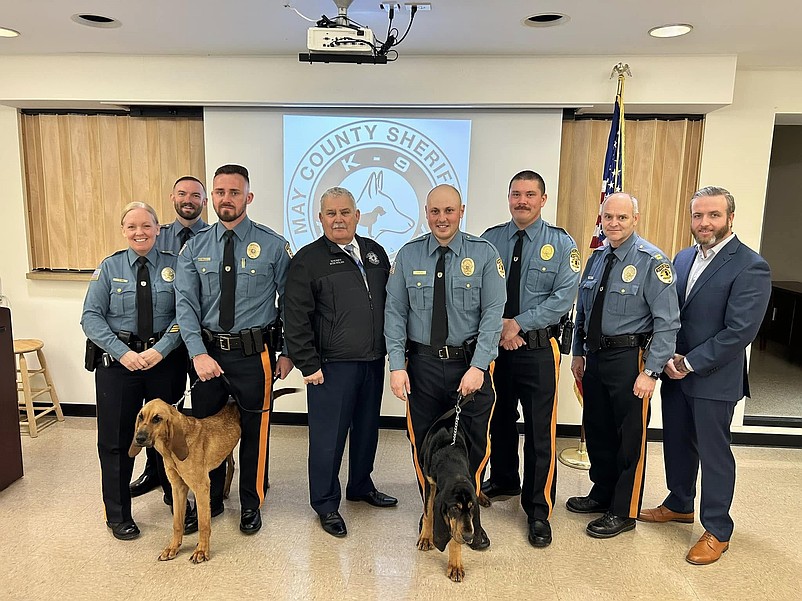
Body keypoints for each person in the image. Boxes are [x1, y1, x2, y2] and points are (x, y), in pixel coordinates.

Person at [639, 186, 771, 565]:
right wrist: (664, 356)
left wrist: (688, 362)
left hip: (712, 377)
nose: (704, 222)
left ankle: (717, 529)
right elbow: (669, 312)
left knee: (714, 454)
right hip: (674, 371)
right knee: (678, 442)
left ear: (730, 218)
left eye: (713, 215)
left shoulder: (750, 265)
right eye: (698, 215)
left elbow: (740, 331)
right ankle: (680, 503)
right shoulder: (681, 258)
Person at [384, 183, 505, 550]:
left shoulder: (483, 254)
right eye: (435, 212)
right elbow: (395, 312)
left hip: (468, 366)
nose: (442, 218)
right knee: (423, 445)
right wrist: (396, 364)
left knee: (474, 445)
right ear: (426, 213)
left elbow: (492, 314)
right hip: (421, 366)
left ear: (461, 210)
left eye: (449, 211)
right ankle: (432, 514)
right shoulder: (408, 255)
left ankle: (471, 520)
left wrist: (479, 364)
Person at [174, 164, 294, 535]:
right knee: (203, 433)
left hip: (253, 355)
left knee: (255, 432)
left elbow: (290, 302)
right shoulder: (195, 247)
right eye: (221, 192)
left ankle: (250, 503)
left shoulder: (272, 245)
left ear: (249, 197)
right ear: (213, 197)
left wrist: (287, 350)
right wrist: (197, 353)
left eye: (235, 192)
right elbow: (186, 304)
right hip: (208, 356)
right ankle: (207, 500)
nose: (227, 199)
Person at [284, 187, 397, 538]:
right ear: (320, 218)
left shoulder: (375, 253)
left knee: (366, 430)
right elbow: (295, 317)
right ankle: (326, 503)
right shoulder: (307, 260)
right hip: (330, 368)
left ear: (357, 215)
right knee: (327, 440)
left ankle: (360, 486)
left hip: (372, 361)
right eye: (331, 213)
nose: (338, 219)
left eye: (345, 212)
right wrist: (308, 363)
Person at [569, 192, 680, 539]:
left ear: (636, 219)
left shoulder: (652, 261)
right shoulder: (597, 258)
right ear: (600, 219)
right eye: (608, 218)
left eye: (621, 218)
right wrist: (578, 352)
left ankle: (623, 509)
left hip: (630, 359)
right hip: (596, 356)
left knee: (629, 437)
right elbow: (583, 312)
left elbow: (668, 323)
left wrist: (651, 372)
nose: (613, 224)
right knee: (598, 429)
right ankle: (601, 493)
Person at [480, 171, 580, 547]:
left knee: (540, 431)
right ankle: (505, 478)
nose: (522, 200)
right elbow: (480, 292)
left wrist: (517, 325)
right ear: (508, 198)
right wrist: (500, 331)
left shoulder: (561, 243)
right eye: (516, 194)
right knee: (497, 418)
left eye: (529, 194)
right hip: (496, 349)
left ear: (543, 199)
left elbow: (561, 298)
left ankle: (538, 509)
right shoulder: (489, 240)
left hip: (538, 349)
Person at [81, 202, 190, 540]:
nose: (139, 232)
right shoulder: (110, 267)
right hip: (119, 366)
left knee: (169, 437)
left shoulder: (176, 266)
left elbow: (184, 313)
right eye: (132, 226)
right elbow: (91, 317)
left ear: (159, 229)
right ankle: (117, 514)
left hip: (164, 362)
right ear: (123, 231)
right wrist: (122, 353)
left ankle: (177, 502)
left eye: (146, 225)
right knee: (115, 441)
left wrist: (161, 349)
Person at [131, 176, 208, 499]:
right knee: (160, 412)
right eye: (181, 194)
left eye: (195, 195)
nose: (187, 199)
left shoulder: (213, 237)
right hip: (168, 346)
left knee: (204, 411)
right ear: (171, 197)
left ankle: (206, 476)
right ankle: (157, 473)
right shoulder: (156, 235)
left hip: (205, 341)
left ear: (204, 201)